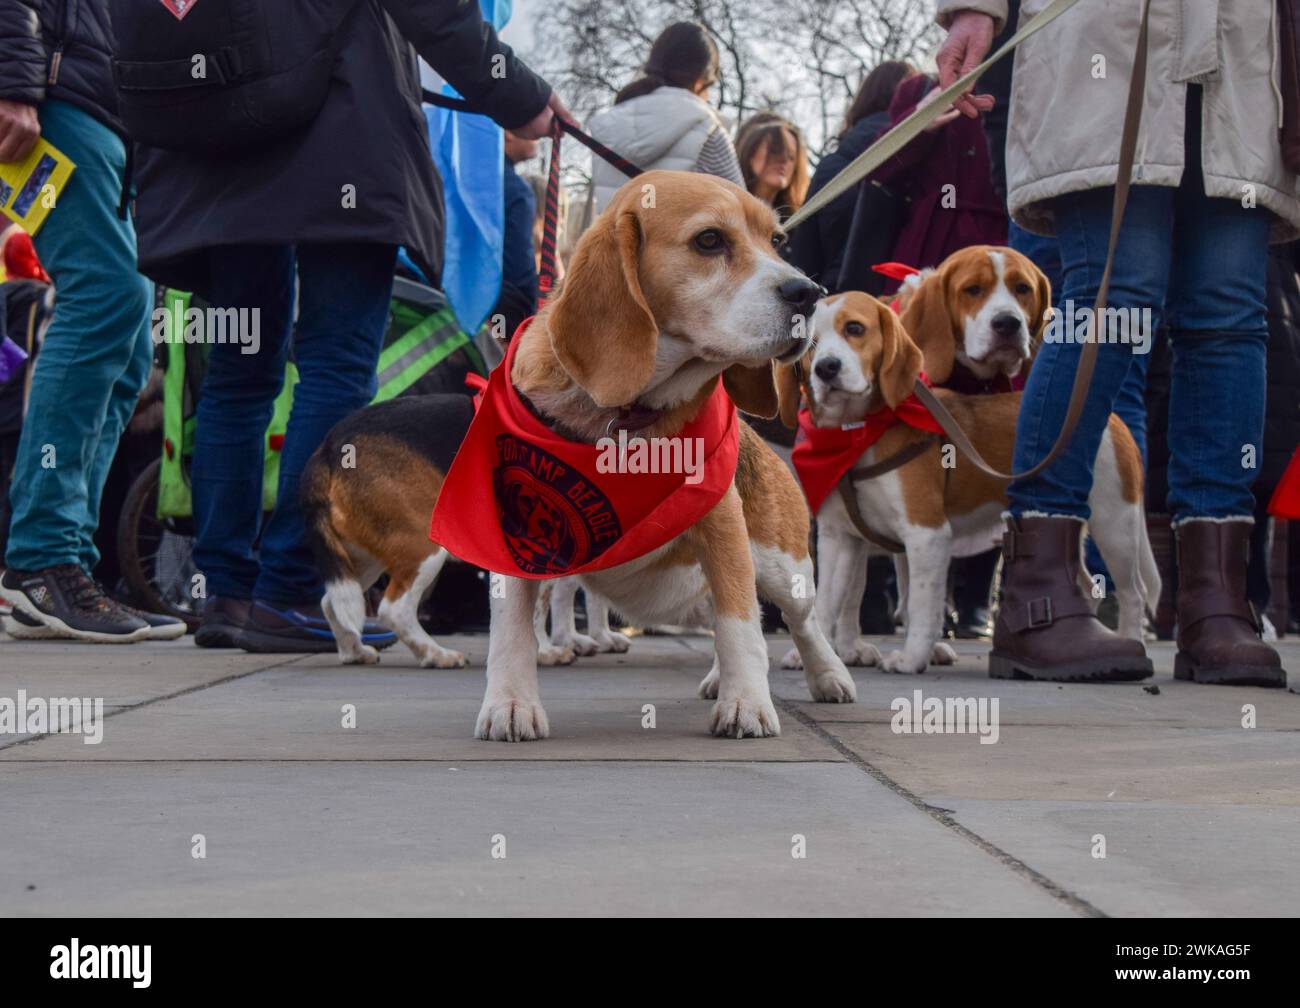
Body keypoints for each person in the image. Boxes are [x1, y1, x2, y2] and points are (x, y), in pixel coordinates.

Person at [129, 0, 569, 653]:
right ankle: (291, 588)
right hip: (340, 131)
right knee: (335, 363)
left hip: (215, 137)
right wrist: (523, 95)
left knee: (238, 376)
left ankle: (224, 594)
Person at [936, 1, 1291, 685]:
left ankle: (1217, 602)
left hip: (1246, 51)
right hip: (1106, 41)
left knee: (1231, 318)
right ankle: (1039, 593)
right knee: (1110, 299)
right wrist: (975, 8)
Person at [0, 0, 184, 642]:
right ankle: (40, 558)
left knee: (130, 338)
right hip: (53, 103)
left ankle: (66, 563)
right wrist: (12, 81)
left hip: (99, 117)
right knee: (102, 303)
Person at [866, 73, 1006, 295]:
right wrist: (918, 120)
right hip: (927, 247)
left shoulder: (1017, 81)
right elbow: (878, 168)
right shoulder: (919, 89)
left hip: (1001, 245)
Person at [589, 21, 744, 213]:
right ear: (701, 81)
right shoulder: (707, 129)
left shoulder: (608, 128)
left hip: (615, 242)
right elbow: (742, 213)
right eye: (710, 86)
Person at [788, 60, 913, 293]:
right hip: (902, 303)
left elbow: (805, 255)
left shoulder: (831, 166)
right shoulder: (923, 162)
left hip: (835, 307)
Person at [735, 112, 810, 220]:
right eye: (775, 150)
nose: (784, 160)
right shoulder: (721, 208)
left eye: (791, 156)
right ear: (749, 149)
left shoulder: (798, 223)